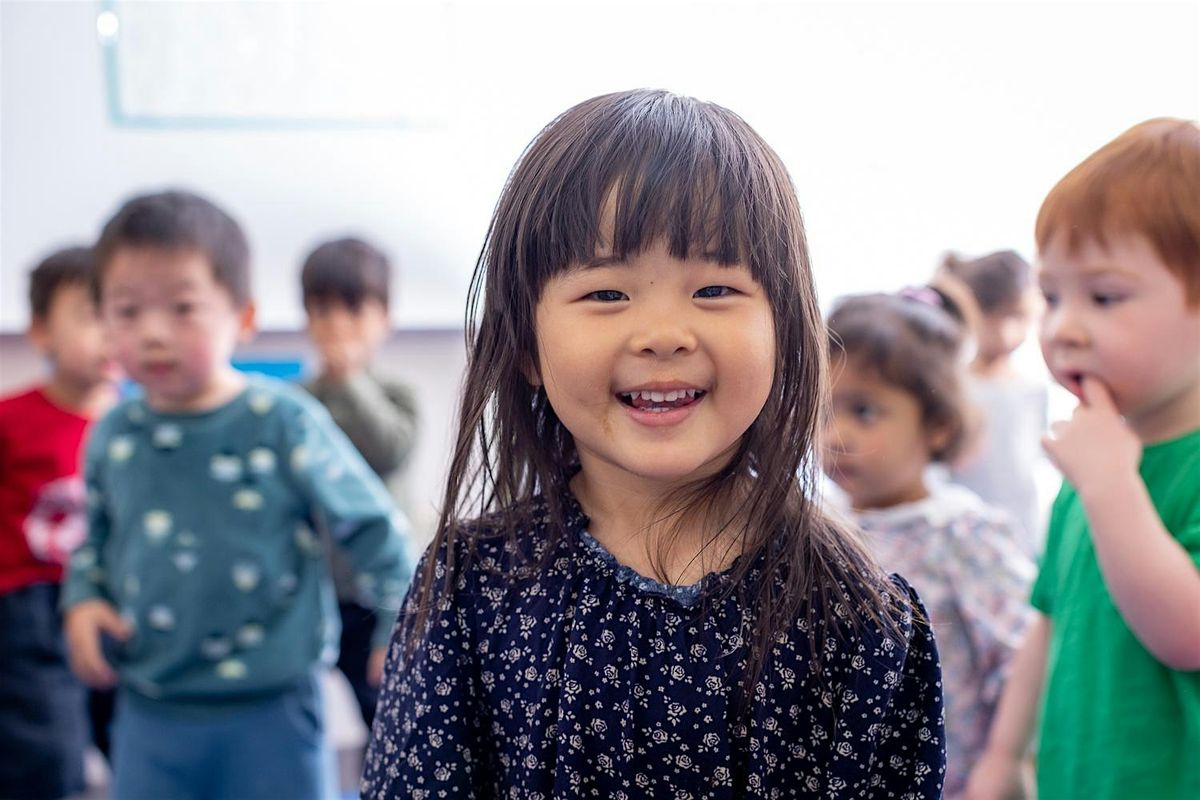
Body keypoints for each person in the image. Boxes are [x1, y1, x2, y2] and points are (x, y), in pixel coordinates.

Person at [361, 89, 945, 798]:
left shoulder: (856, 614)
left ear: (786, 330)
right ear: (526, 347)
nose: (664, 334)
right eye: (607, 294)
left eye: (715, 289)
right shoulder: (471, 587)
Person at [61, 189, 413, 800]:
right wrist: (83, 598)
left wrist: (398, 626)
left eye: (183, 307)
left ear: (242, 316)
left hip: (274, 707)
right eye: (126, 311)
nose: (153, 333)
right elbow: (96, 538)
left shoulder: (283, 420)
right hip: (151, 706)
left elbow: (376, 528)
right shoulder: (112, 434)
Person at [967, 118, 1200, 800]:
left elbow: (1188, 635)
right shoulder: (1094, 465)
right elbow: (1049, 620)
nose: (1063, 327)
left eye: (1104, 297)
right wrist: (1004, 757)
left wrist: (1110, 486)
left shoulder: (1108, 473)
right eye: (1051, 296)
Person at [823, 290, 1035, 799]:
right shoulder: (820, 528)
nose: (836, 435)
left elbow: (1022, 661)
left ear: (937, 425)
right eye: (823, 411)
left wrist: (1004, 762)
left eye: (864, 411)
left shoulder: (960, 533)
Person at [0, 246, 120, 800]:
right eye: (91, 316)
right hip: (31, 609)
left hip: (116, 602)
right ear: (42, 331)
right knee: (46, 755)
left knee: (130, 736)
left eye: (120, 313)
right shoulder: (13, 418)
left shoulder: (139, 424)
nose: (110, 333)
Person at [300, 236, 418, 729]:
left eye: (354, 310)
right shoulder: (296, 403)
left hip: (377, 595)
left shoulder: (395, 393)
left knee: (387, 715)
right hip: (314, 590)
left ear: (385, 317)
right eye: (322, 310)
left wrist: (349, 381)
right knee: (303, 712)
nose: (337, 325)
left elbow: (390, 450)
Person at [942, 251, 1049, 556]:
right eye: (994, 317)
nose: (1006, 332)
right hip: (963, 541)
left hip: (1024, 539)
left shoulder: (1033, 391)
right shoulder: (955, 388)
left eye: (1019, 317)